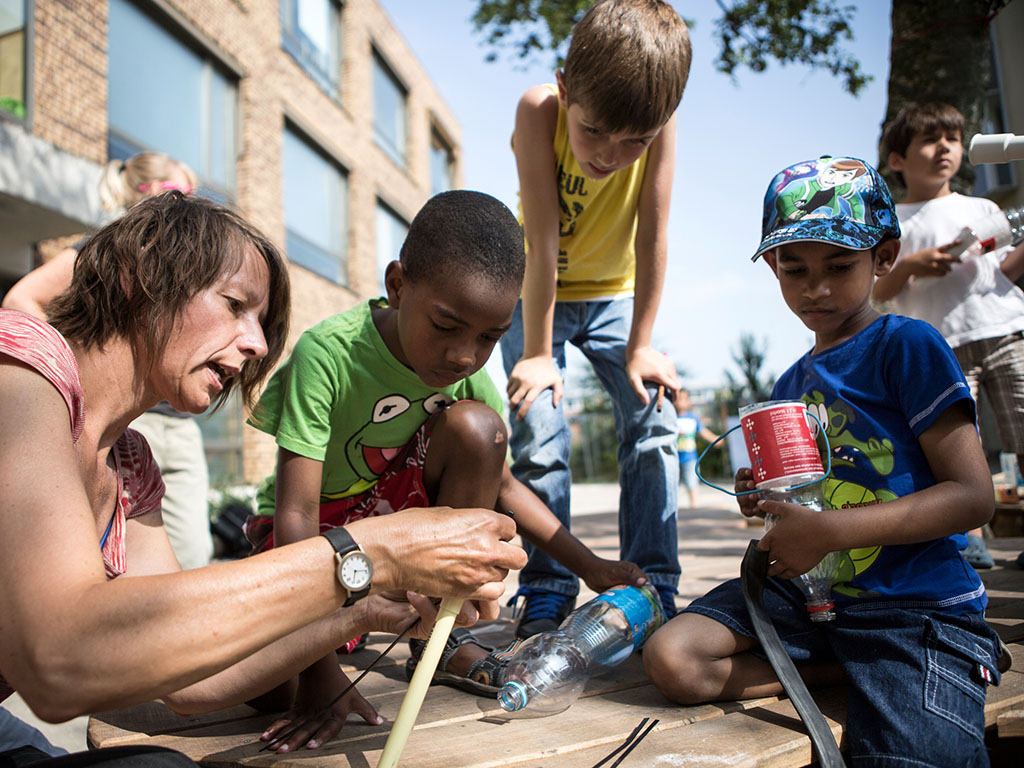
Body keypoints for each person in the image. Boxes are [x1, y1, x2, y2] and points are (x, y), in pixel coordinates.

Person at [0, 193, 527, 765]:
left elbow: (190, 685)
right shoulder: (23, 365)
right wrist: (378, 552)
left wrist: (368, 612)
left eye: (260, 321)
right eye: (234, 305)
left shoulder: (130, 467)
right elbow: (58, 658)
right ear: (139, 279)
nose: (255, 344)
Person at [246, 190, 648, 751]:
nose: (464, 355)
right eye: (446, 325)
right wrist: (318, 671)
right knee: (267, 689)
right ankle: (316, 653)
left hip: (399, 528)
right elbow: (295, 515)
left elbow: (504, 484)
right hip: (316, 536)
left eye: (490, 338)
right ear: (398, 285)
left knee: (482, 428)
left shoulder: (462, 377)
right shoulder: (329, 354)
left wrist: (593, 568)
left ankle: (437, 638)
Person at [642, 156, 1004, 767]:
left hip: (912, 608)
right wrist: (767, 499)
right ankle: (844, 668)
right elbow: (810, 495)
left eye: (840, 266)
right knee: (673, 657)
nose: (816, 288)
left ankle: (929, 664)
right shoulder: (792, 379)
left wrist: (831, 529)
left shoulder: (906, 345)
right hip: (817, 602)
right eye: (794, 270)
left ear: (883, 258)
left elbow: (973, 497)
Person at [500, 0, 692, 637]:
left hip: (613, 295)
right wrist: (534, 352)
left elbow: (655, 237)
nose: (611, 155)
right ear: (564, 89)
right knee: (540, 425)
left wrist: (641, 345)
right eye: (595, 132)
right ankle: (548, 586)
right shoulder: (538, 111)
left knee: (655, 413)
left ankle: (653, 585)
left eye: (632, 140)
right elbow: (542, 237)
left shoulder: (659, 130)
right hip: (538, 292)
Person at [2, 152, 215, 571]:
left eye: (191, 193)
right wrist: (65, 376)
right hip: (128, 425)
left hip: (178, 429)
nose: (186, 203)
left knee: (194, 553)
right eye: (178, 192)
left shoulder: (177, 274)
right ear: (144, 191)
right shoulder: (106, 251)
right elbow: (19, 298)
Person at [873, 103, 1024, 571]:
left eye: (953, 140)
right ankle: (969, 543)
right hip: (941, 348)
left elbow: (1006, 271)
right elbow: (877, 292)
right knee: (961, 445)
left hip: (1005, 329)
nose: (945, 149)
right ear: (897, 159)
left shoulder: (982, 207)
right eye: (930, 140)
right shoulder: (893, 222)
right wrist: (914, 266)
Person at [673, 389, 720, 509]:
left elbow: (703, 431)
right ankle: (672, 507)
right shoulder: (671, 417)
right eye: (678, 398)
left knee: (692, 482)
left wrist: (715, 439)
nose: (681, 402)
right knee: (673, 484)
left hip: (689, 457)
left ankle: (694, 505)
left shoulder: (692, 418)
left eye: (684, 399)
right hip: (673, 458)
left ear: (688, 401)